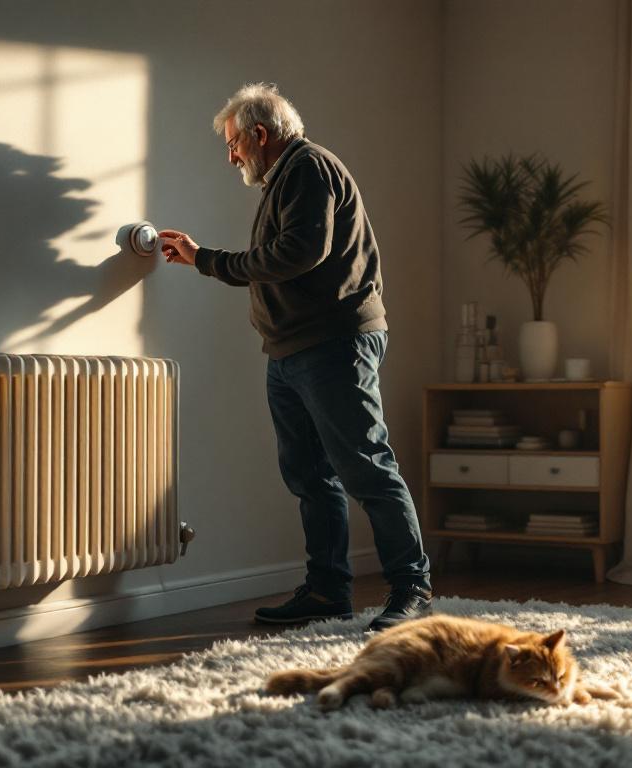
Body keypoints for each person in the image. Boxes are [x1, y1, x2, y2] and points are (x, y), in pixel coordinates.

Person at [159, 83, 431, 633]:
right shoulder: (285, 178)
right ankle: (329, 591)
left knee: (366, 467)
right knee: (310, 475)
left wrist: (205, 259)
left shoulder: (309, 168)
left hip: (333, 344)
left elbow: (299, 255)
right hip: (291, 350)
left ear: (260, 134)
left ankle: (413, 589)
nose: (231, 156)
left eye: (234, 143)